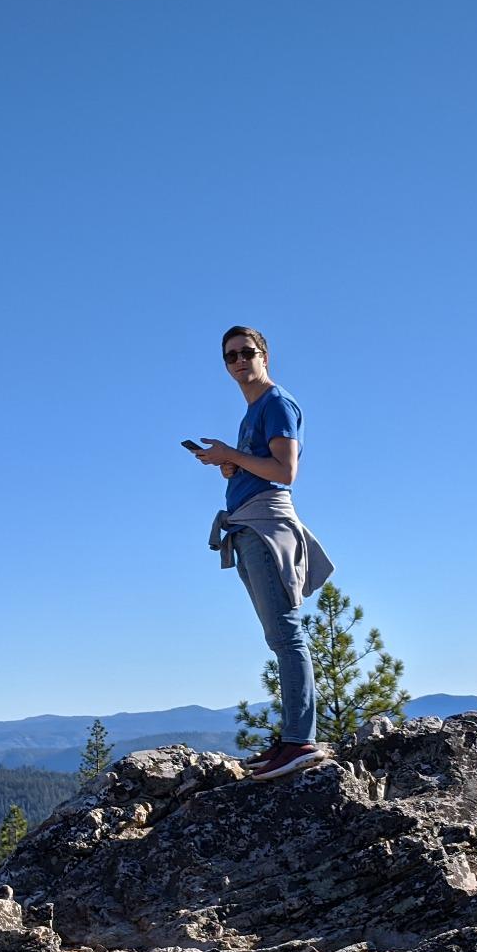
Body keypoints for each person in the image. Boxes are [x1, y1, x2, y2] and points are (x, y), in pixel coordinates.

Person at [193, 327, 334, 781]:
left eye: (246, 353)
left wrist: (232, 454)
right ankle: (293, 736)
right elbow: (263, 466)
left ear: (265, 356)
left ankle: (300, 742)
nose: (238, 361)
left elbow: (285, 471)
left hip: (266, 525)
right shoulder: (255, 410)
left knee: (287, 635)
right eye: (230, 355)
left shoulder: (276, 403)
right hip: (249, 523)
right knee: (279, 636)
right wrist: (230, 464)